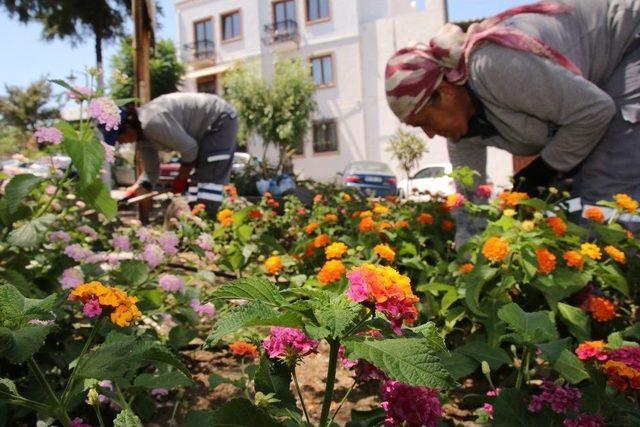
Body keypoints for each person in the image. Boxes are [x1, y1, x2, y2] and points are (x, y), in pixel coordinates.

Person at [385, 0, 640, 242]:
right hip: (592, 86)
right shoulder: (462, 133)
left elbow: (594, 112)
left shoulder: (491, 66)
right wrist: (469, 268)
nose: (429, 134)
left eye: (424, 122)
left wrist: (543, 169)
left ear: (445, 92)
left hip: (626, 40)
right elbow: (470, 206)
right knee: (566, 203)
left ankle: (612, 284)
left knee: (606, 194)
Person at [114, 92, 238, 217]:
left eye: (118, 138)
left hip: (219, 119)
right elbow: (151, 172)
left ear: (127, 126)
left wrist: (181, 177)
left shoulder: (151, 122)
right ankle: (198, 225)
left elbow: (190, 149)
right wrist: (137, 188)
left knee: (209, 179)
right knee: (196, 185)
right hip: (204, 131)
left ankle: (208, 226)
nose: (120, 142)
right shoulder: (142, 138)